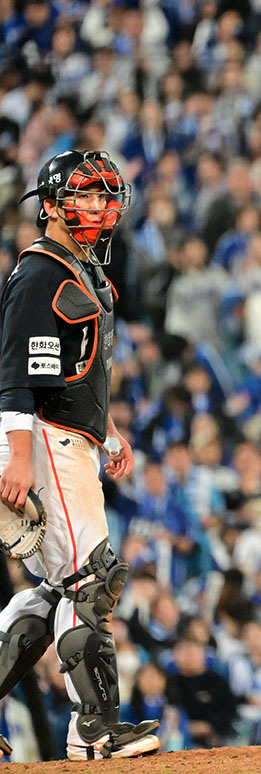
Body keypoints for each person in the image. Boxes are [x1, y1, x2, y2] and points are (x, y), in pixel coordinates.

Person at [0, 150, 160, 759]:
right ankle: (93, 730)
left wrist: (108, 430)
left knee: (54, 589)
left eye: (103, 196)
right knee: (91, 579)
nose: (97, 206)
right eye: (84, 195)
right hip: (41, 439)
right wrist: (17, 458)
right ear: (49, 204)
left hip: (67, 437)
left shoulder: (79, 266)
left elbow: (77, 372)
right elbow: (17, 377)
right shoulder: (41, 272)